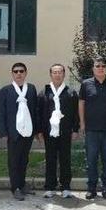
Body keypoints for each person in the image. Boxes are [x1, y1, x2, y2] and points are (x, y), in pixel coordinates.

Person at [79, 57, 106, 200]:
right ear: (93, 69)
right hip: (91, 129)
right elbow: (81, 104)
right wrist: (82, 123)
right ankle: (91, 188)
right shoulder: (86, 84)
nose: (100, 68)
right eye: (97, 66)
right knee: (91, 160)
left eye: (103, 66)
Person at [0, 63, 39, 201]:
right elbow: (1, 112)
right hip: (13, 132)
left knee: (24, 160)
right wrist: (3, 132)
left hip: (28, 130)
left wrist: (36, 130)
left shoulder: (31, 89)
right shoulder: (6, 90)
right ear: (12, 74)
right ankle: (15, 188)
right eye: (16, 71)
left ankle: (22, 184)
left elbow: (35, 110)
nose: (19, 73)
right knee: (13, 161)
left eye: (21, 71)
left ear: (25, 73)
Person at [38, 64, 80, 199]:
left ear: (64, 74)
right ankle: (50, 187)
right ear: (50, 74)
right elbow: (39, 113)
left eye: (60, 72)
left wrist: (75, 129)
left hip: (65, 131)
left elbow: (75, 113)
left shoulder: (71, 93)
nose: (57, 75)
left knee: (65, 159)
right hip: (49, 132)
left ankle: (65, 187)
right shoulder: (44, 92)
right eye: (55, 72)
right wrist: (39, 131)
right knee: (50, 158)